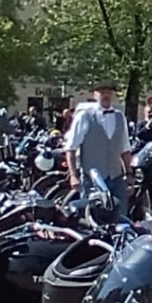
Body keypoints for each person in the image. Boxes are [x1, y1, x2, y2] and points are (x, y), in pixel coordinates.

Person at [63, 79, 133, 216]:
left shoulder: (120, 117)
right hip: (92, 178)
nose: (105, 95)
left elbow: (125, 149)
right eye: (102, 92)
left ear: (113, 95)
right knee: (93, 216)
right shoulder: (85, 116)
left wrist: (129, 174)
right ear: (95, 95)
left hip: (116, 176)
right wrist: (73, 175)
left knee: (120, 215)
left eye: (109, 92)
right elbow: (71, 148)